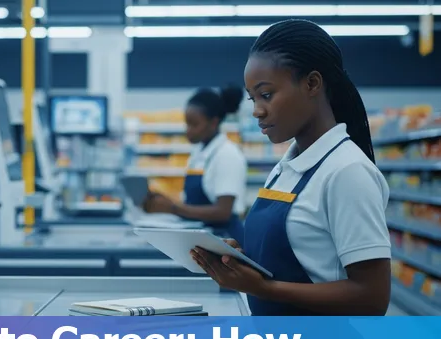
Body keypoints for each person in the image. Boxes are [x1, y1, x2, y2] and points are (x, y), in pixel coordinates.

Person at [191, 19, 392, 316]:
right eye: (252, 98)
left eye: (266, 95)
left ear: (312, 84)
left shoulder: (347, 171)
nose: (257, 111)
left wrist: (265, 288)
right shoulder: (286, 167)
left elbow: (372, 298)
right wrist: (239, 260)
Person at [142, 85, 248, 243]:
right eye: (187, 124)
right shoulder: (199, 152)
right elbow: (192, 202)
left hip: (225, 238)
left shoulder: (227, 154)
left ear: (214, 123)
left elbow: (223, 212)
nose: (188, 130)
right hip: (202, 234)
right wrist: (164, 201)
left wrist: (173, 208)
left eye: (194, 124)